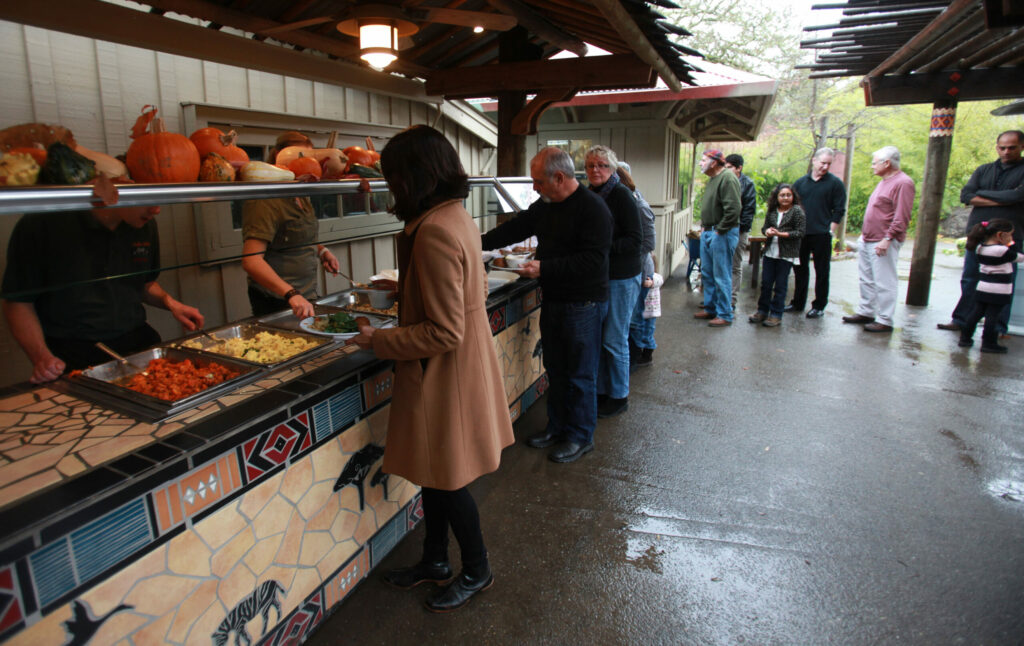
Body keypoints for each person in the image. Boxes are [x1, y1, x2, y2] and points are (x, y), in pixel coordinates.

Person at [348, 125, 514, 613]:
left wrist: (378, 339)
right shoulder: (450, 215)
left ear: (413, 177)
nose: (391, 187)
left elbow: (444, 331)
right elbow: (463, 296)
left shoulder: (435, 231)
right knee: (435, 472)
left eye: (393, 178)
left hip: (446, 376)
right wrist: (404, 294)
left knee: (448, 477)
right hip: (454, 369)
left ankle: (477, 569)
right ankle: (435, 560)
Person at [481, 147, 613, 464]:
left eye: (539, 182)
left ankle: (580, 437)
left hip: (584, 303)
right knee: (555, 369)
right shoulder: (546, 205)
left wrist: (545, 268)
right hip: (553, 300)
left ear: (559, 177)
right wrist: (473, 241)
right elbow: (516, 227)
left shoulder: (593, 209)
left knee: (579, 375)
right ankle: (557, 428)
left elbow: (594, 262)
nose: (535, 188)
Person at [2, 205, 204, 382]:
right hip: (74, 352)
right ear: (109, 190)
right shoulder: (40, 224)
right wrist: (42, 358)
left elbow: (143, 283)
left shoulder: (145, 224)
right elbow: (18, 302)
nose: (156, 209)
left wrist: (171, 304)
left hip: (137, 342)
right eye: (144, 198)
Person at [241, 131, 340, 318]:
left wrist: (322, 251)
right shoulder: (265, 199)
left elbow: (299, 235)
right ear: (280, 159)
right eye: (302, 157)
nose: (310, 164)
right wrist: (291, 294)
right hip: (277, 299)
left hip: (305, 294)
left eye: (312, 158)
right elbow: (251, 261)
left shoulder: (300, 191)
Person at [938, 130, 1024, 335]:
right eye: (1002, 147)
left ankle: (997, 327)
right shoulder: (984, 169)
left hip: (1007, 236)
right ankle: (961, 320)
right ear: (997, 147)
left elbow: (1019, 195)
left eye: (1012, 147)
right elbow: (966, 195)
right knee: (970, 278)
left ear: (1021, 147)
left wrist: (982, 195)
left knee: (1004, 281)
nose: (1006, 151)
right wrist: (1005, 199)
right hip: (979, 233)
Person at [584, 146, 642, 418]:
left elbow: (635, 241)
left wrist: (601, 248)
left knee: (614, 339)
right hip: (601, 277)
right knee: (603, 339)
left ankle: (619, 396)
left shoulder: (621, 195)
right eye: (590, 165)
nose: (596, 170)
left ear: (613, 168)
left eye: (602, 165)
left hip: (622, 277)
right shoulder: (590, 194)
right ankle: (603, 391)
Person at [842, 146, 915, 333]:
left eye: (874, 162)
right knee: (866, 279)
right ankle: (866, 311)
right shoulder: (884, 181)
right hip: (867, 238)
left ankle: (885, 319)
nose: (872, 166)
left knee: (884, 280)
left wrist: (888, 238)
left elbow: (902, 215)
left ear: (887, 163)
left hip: (883, 240)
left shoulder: (903, 183)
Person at [790, 147, 847, 318]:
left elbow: (839, 209)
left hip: (821, 234)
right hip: (801, 233)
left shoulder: (835, 184)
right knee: (800, 269)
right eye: (823, 163)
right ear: (814, 161)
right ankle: (798, 302)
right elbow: (792, 206)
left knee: (822, 271)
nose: (825, 167)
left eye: (828, 164)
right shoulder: (801, 183)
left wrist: (831, 229)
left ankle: (819, 305)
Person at [957, 219, 1024, 353]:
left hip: (982, 287)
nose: (1011, 238)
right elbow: (1020, 257)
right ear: (1001, 235)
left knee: (975, 314)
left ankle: (965, 338)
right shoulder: (1002, 250)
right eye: (1010, 234)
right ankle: (989, 343)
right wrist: (1010, 243)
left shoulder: (980, 248)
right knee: (993, 317)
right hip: (999, 290)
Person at [694, 149, 741, 326]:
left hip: (722, 233)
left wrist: (719, 230)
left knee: (721, 274)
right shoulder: (713, 179)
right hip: (709, 231)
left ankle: (724, 314)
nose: (700, 163)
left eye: (703, 160)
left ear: (714, 162)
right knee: (707, 273)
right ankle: (711, 308)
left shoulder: (727, 178)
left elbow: (733, 209)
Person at [618, 162, 658, 369]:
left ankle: (638, 357)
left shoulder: (639, 206)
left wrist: (623, 251)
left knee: (636, 318)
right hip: (631, 269)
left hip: (640, 270)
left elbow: (650, 243)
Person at [748, 184, 805, 327]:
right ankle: (762, 311)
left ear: (793, 197)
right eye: (782, 195)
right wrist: (767, 231)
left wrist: (781, 234)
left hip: (786, 253)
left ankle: (776, 314)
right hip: (770, 252)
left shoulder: (797, 211)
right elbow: (764, 227)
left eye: (788, 195)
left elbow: (800, 232)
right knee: (766, 283)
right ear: (777, 197)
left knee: (780, 285)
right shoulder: (773, 211)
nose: (785, 198)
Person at [725, 154, 757, 308]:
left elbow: (749, 209)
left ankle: (731, 300)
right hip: (723, 230)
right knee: (721, 264)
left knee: (735, 265)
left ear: (739, 168)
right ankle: (719, 298)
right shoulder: (724, 181)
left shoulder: (747, 184)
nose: (727, 170)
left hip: (739, 230)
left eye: (730, 167)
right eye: (725, 167)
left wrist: (739, 229)